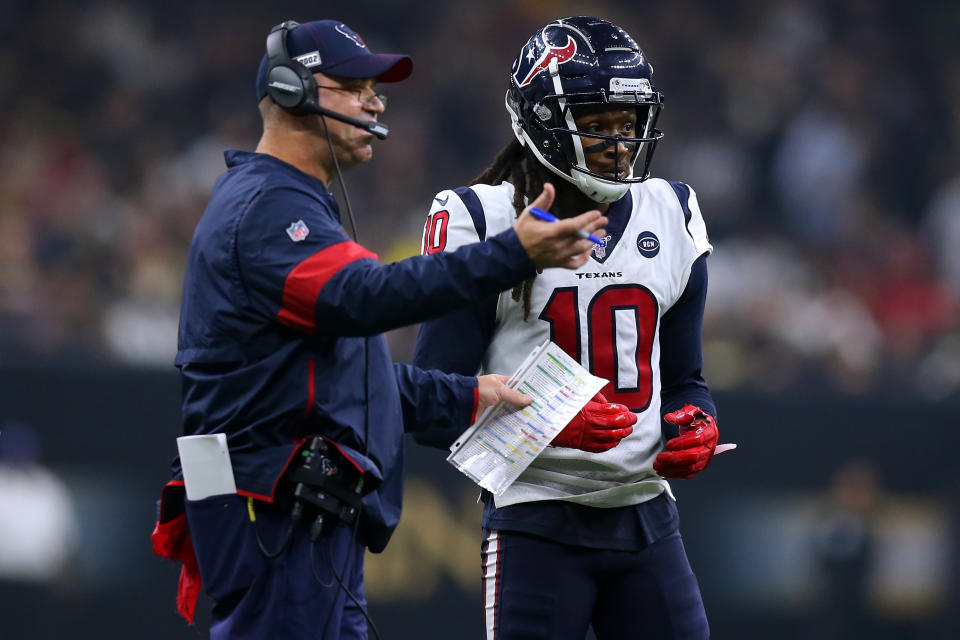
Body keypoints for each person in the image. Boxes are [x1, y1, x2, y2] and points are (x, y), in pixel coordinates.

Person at [150, 18, 608, 640]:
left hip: (289, 504)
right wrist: (513, 253)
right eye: (353, 84)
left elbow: (335, 377)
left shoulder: (288, 202)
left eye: (377, 89)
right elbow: (367, 296)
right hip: (273, 504)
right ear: (291, 89)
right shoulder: (267, 207)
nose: (374, 101)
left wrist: (469, 395)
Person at [413, 16, 728, 640]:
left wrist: (696, 420)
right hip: (535, 523)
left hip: (646, 521)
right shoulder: (484, 216)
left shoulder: (673, 211)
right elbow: (430, 403)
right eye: (595, 123)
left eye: (626, 123)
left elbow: (685, 378)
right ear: (541, 122)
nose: (617, 142)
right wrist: (545, 421)